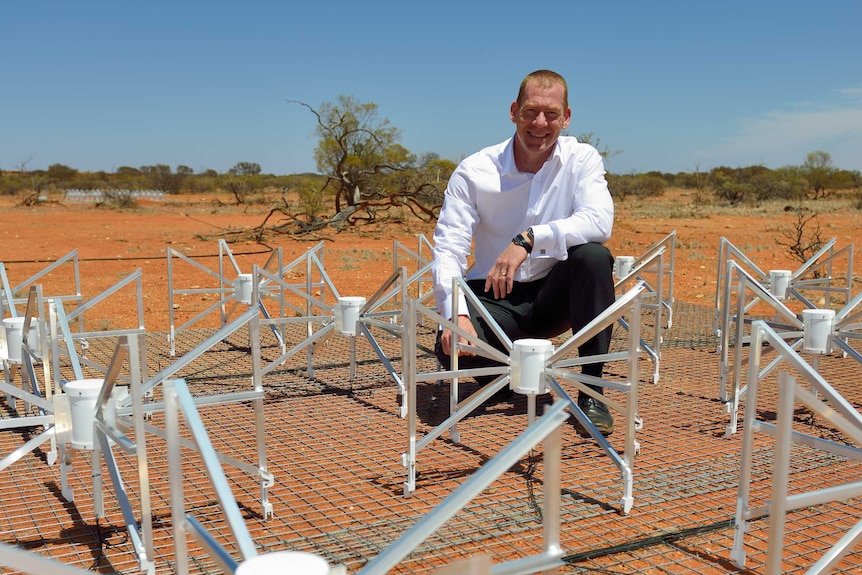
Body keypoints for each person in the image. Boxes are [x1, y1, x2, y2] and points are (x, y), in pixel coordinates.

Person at [431, 69, 616, 436]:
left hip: (552, 296)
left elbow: (599, 222)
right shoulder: (475, 171)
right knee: (450, 347)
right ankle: (497, 372)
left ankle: (593, 389)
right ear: (514, 111)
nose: (540, 122)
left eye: (551, 113)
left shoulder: (582, 159)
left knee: (593, 257)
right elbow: (449, 249)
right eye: (531, 111)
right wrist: (457, 317)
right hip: (494, 298)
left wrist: (529, 239)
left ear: (566, 117)